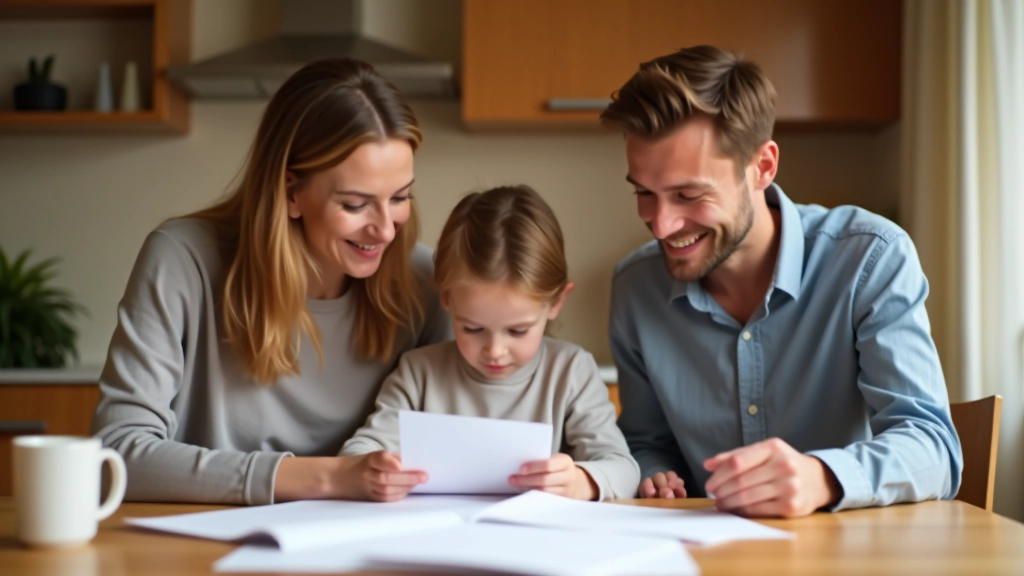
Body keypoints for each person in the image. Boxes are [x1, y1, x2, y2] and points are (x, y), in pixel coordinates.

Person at [601, 45, 962, 517]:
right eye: (645, 193)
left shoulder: (869, 259)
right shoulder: (635, 288)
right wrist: (654, 472)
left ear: (763, 167)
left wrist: (822, 477)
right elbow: (648, 442)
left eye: (689, 194)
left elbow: (933, 448)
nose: (662, 224)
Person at [90, 59, 451, 505]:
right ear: (291, 192)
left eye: (399, 197)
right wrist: (326, 478)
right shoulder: (182, 259)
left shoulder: (426, 282)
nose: (385, 230)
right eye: (356, 205)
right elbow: (116, 453)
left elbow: (475, 423)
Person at [340, 185, 640, 502]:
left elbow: (623, 468)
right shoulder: (418, 373)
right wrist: (374, 470)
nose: (494, 351)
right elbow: (359, 451)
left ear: (556, 303)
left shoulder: (571, 371)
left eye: (518, 331)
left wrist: (581, 481)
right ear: (446, 299)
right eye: (472, 328)